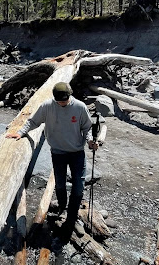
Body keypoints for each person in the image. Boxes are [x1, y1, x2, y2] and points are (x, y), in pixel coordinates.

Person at [6, 82, 98, 245]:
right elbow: (33, 121)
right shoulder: (48, 106)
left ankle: (71, 219)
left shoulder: (80, 107)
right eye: (59, 101)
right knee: (60, 185)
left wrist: (90, 141)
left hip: (77, 153)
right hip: (58, 152)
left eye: (64, 100)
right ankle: (62, 208)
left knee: (78, 186)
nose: (62, 103)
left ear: (70, 95)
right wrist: (20, 133)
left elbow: (87, 127)